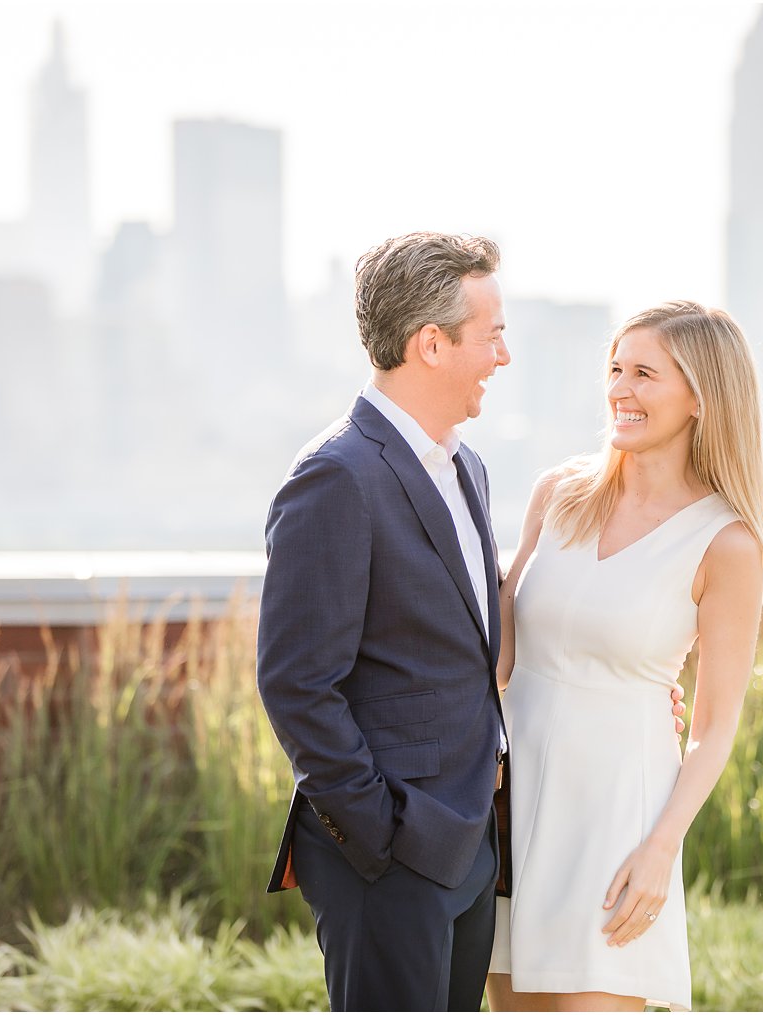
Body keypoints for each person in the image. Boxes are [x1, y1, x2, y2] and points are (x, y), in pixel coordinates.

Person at [256, 232, 685, 1012]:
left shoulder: (467, 468)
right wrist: (380, 833)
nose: (503, 355)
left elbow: (477, 640)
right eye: (491, 334)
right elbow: (295, 684)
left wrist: (614, 681)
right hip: (391, 856)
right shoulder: (336, 476)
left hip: (470, 849)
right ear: (431, 344)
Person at [487, 301, 763, 1012]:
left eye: (644, 373)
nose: (621, 387)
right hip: (508, 811)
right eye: (616, 368)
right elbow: (497, 655)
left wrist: (660, 851)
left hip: (619, 821)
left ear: (701, 397)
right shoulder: (557, 495)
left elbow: (712, 724)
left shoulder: (726, 544)